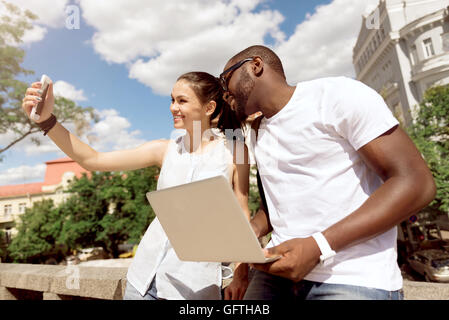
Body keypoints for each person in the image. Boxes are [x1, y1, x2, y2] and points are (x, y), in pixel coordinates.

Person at [219, 45, 436, 300]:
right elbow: (277, 206)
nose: (225, 94)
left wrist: (317, 246)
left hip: (351, 278)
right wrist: (251, 230)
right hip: (275, 276)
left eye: (226, 81)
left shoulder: (338, 95)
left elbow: (416, 182)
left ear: (256, 65)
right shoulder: (258, 131)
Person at [22, 71, 251, 300]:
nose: (173, 107)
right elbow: (93, 160)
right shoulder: (163, 150)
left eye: (182, 100)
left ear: (209, 108)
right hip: (142, 280)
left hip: (193, 286)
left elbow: (242, 215)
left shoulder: (235, 152)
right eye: (172, 100)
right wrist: (47, 120)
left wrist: (241, 274)